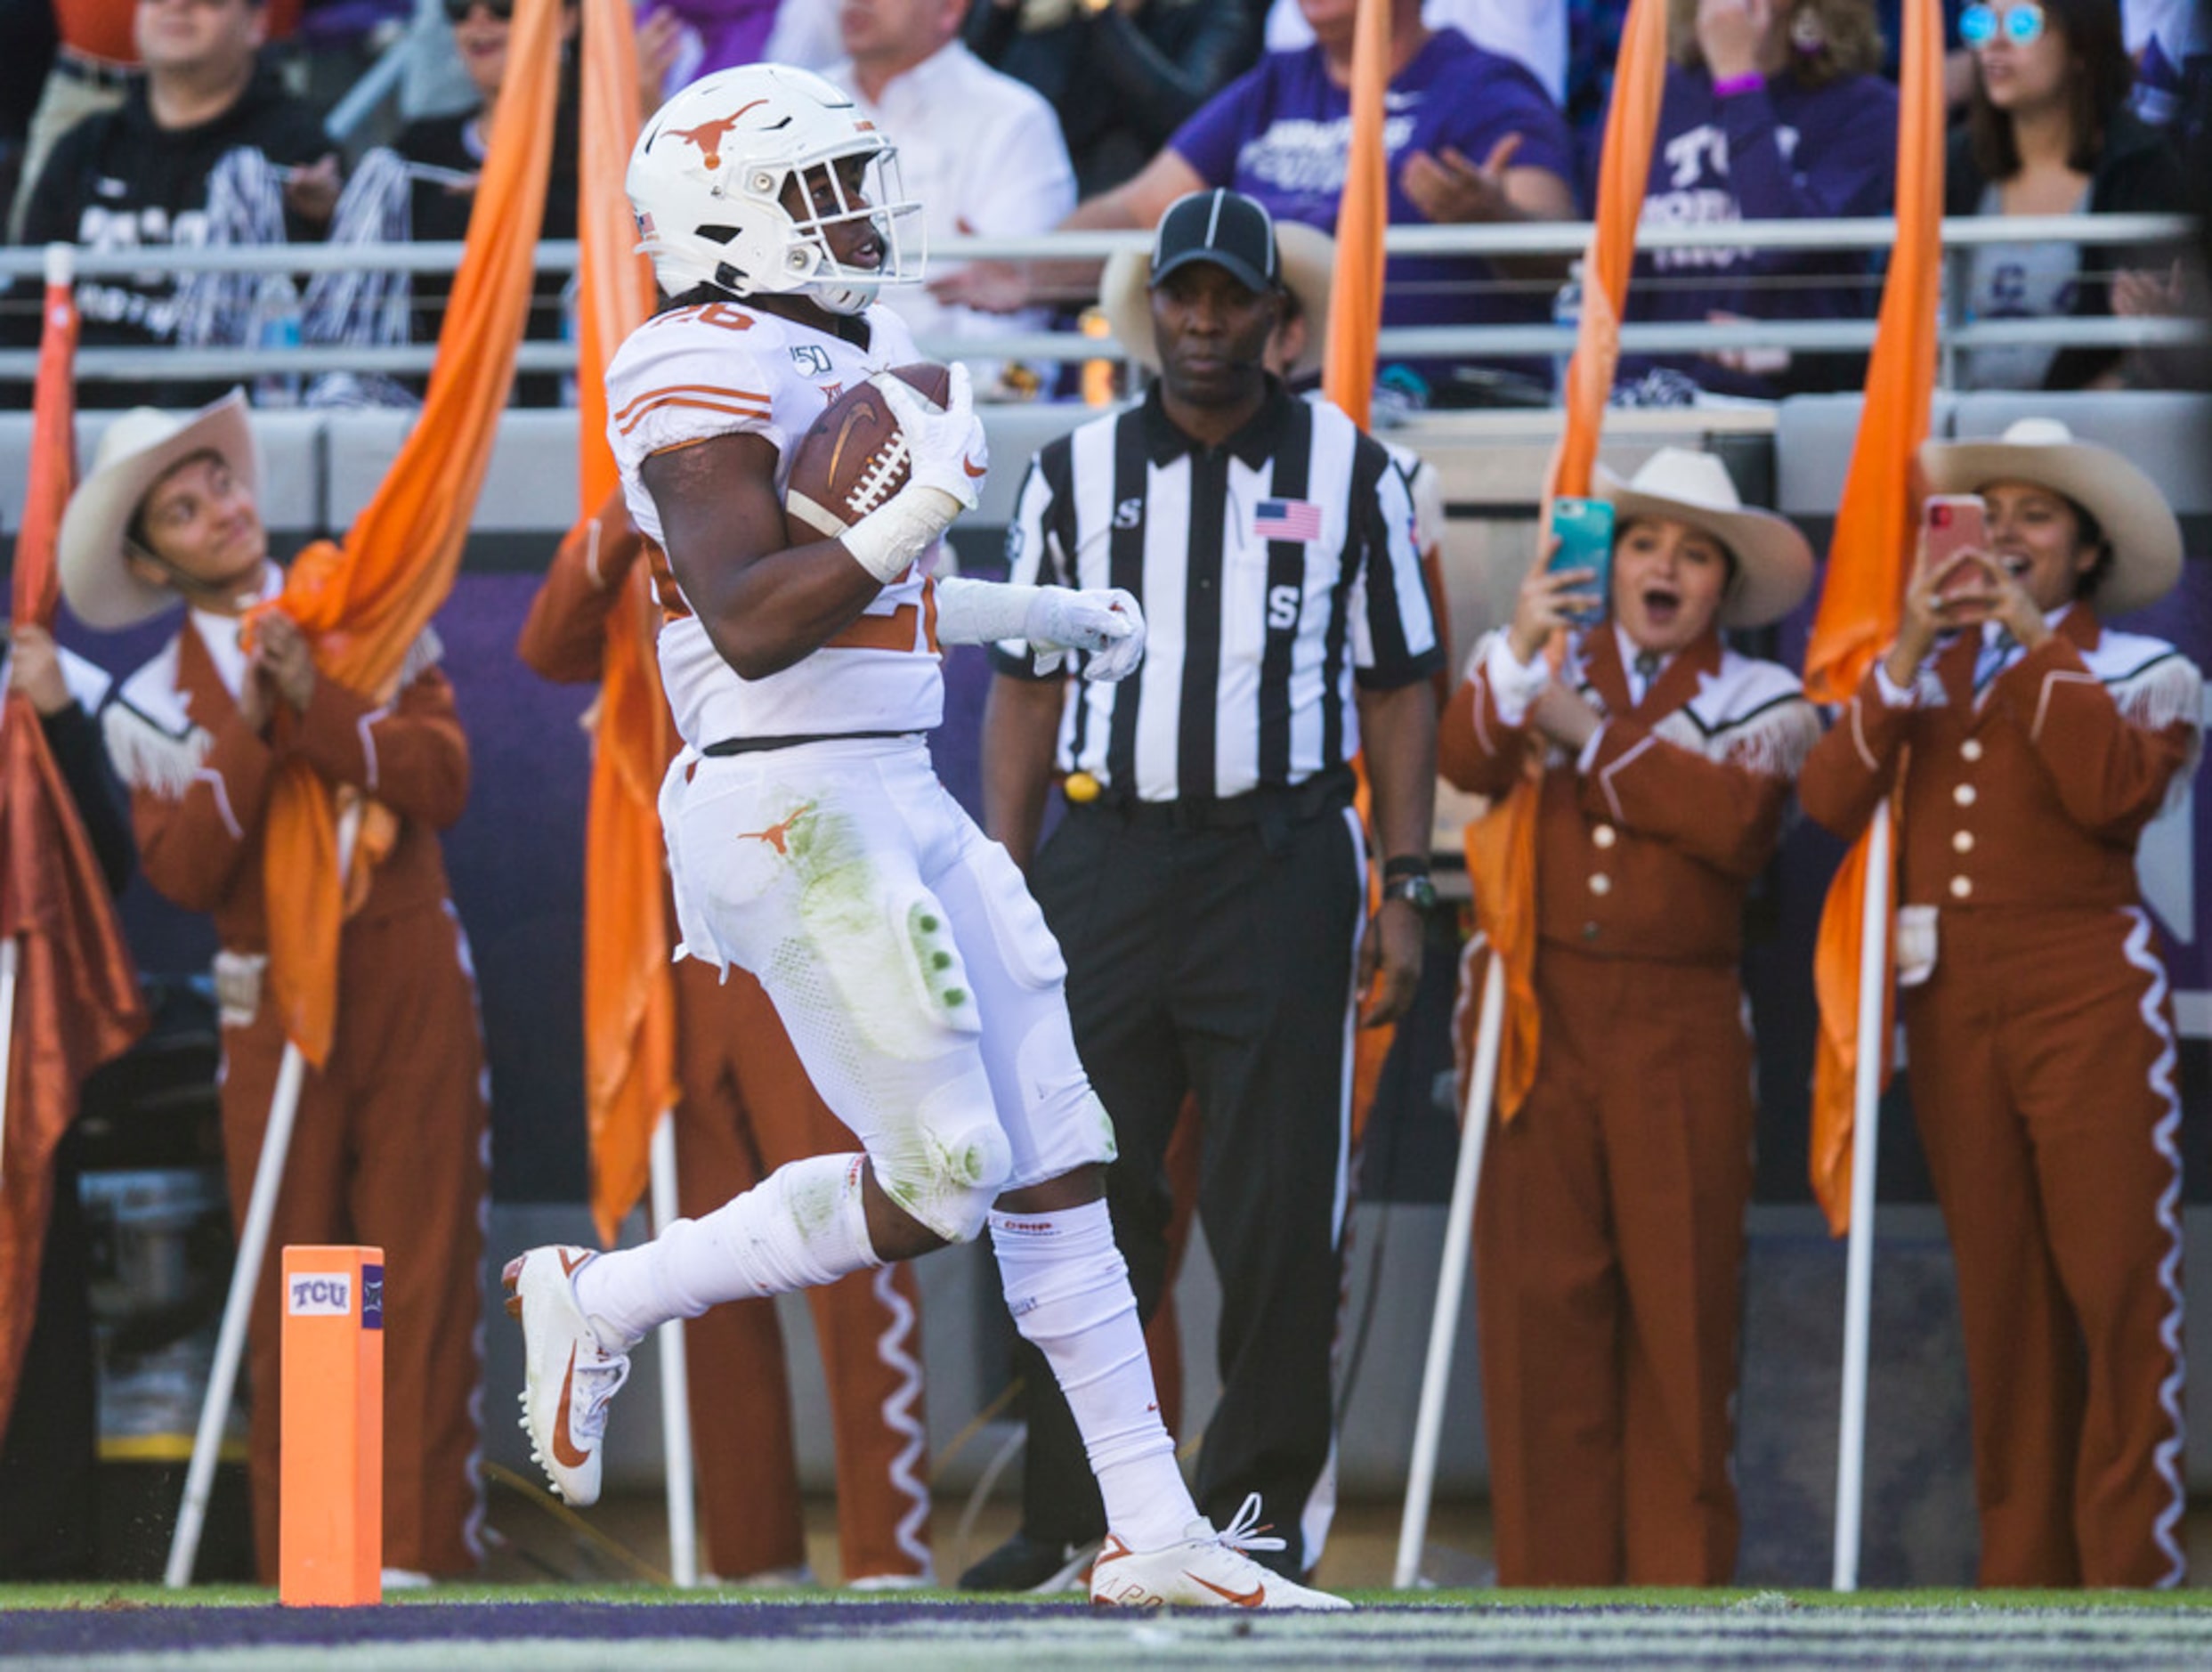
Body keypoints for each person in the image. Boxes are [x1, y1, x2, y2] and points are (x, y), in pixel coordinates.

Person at [500, 63, 1347, 1612]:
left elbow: (872, 610)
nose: (858, 215)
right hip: (788, 798)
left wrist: (1033, 611)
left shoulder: (822, 350)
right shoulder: (689, 355)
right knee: (948, 1172)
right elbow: (754, 622)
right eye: (822, 188)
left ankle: (1150, 1525)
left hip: (887, 779)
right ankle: (602, 1292)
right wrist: (903, 519)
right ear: (725, 212)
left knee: (1061, 1152)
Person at [978, 187, 1441, 1587]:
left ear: (1274, 319)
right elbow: (1021, 681)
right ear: (1151, 306)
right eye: (1181, 293)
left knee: (1275, 1208)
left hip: (1280, 858)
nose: (1201, 319)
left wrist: (1406, 882)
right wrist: (1000, 876)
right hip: (1104, 859)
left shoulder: (1357, 469)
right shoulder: (1068, 470)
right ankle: (1074, 1518)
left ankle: (1252, 1518)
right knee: (1072, 1197)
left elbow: (1403, 681)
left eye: (1228, 297)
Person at [56, 391, 490, 1585]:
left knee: (423, 1256)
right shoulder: (148, 699)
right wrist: (258, 718)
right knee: (311, 1272)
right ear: (148, 558)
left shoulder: (369, 616)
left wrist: (322, 696)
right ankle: (329, 1551)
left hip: (403, 964)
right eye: (184, 510)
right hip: (267, 994)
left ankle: (423, 1554)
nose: (221, 515)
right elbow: (188, 870)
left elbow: (443, 781)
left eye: (224, 486)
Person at [1798, 418, 2202, 1588]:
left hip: (2086, 996)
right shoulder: (1921, 664)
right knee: (2003, 1306)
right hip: (1952, 1009)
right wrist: (1914, 639)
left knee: (2118, 1291)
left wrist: (2029, 643)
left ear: (2084, 553)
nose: (2010, 533)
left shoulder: (2137, 668)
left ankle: (2128, 1581)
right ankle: (2020, 1583)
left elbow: (2114, 795)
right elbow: (1828, 800)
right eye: (1993, 511)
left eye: (2038, 515)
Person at [515, 497, 936, 1587]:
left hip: (802, 891)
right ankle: (753, 1568)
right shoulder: (647, 508)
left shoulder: (813, 471)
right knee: (698, 1256)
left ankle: (887, 1560)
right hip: (666, 943)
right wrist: (617, 518)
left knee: (862, 1223)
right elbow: (547, 644)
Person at [1438, 448, 1819, 1585]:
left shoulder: (1761, 698)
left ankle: (1677, 1611)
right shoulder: (1535, 660)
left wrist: (1585, 736)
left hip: (1682, 1026)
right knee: (1540, 1316)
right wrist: (1516, 657)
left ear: (1721, 586)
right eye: (1646, 543)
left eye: (1693, 553)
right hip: (1540, 1018)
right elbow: (1464, 758)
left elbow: (1737, 824)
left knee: (1681, 1318)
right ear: (1612, 562)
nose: (1665, 567)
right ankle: (1551, 1611)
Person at [935, 0, 1579, 407]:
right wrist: (1027, 272)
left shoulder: (1484, 87)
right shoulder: (1274, 82)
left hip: (1431, 414)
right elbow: (1140, 209)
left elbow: (1559, 255)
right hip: (1267, 402)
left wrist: (1490, 217)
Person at [10, 0, 338, 410]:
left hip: (213, 438)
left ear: (256, 23)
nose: (178, 6)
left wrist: (326, 221)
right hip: (73, 422)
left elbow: (317, 323)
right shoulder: (84, 146)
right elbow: (27, 308)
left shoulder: (299, 153)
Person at [0, 623, 134, 1581]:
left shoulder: (34, 689)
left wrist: (57, 719)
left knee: (34, 1289)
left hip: (17, 1042)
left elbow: (103, 871)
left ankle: (41, 1555)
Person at [1607, 0, 1897, 404]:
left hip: (1785, 410)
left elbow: (1779, 245)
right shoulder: (1654, 95)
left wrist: (1738, 80)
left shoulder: (1867, 109)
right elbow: (1618, 269)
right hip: (1652, 406)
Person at [824, 0, 1075, 392]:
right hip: (812, 396)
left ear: (951, 9)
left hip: (956, 414)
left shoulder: (1014, 119)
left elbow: (1000, 336)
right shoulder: (797, 107)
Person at [1948, 0, 2189, 392]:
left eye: (2023, 23)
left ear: (2081, 43)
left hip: (2088, 433)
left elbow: (2156, 349)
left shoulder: (2140, 166)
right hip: (1960, 428)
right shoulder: (1953, 162)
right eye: (1981, 23)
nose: (1994, 42)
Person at [965, 0, 1264, 201]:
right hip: (1027, 209)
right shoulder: (1047, 17)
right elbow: (968, 99)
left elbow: (1189, 123)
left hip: (1131, 230)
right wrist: (1000, 13)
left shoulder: (1213, 12)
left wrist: (1103, 15)